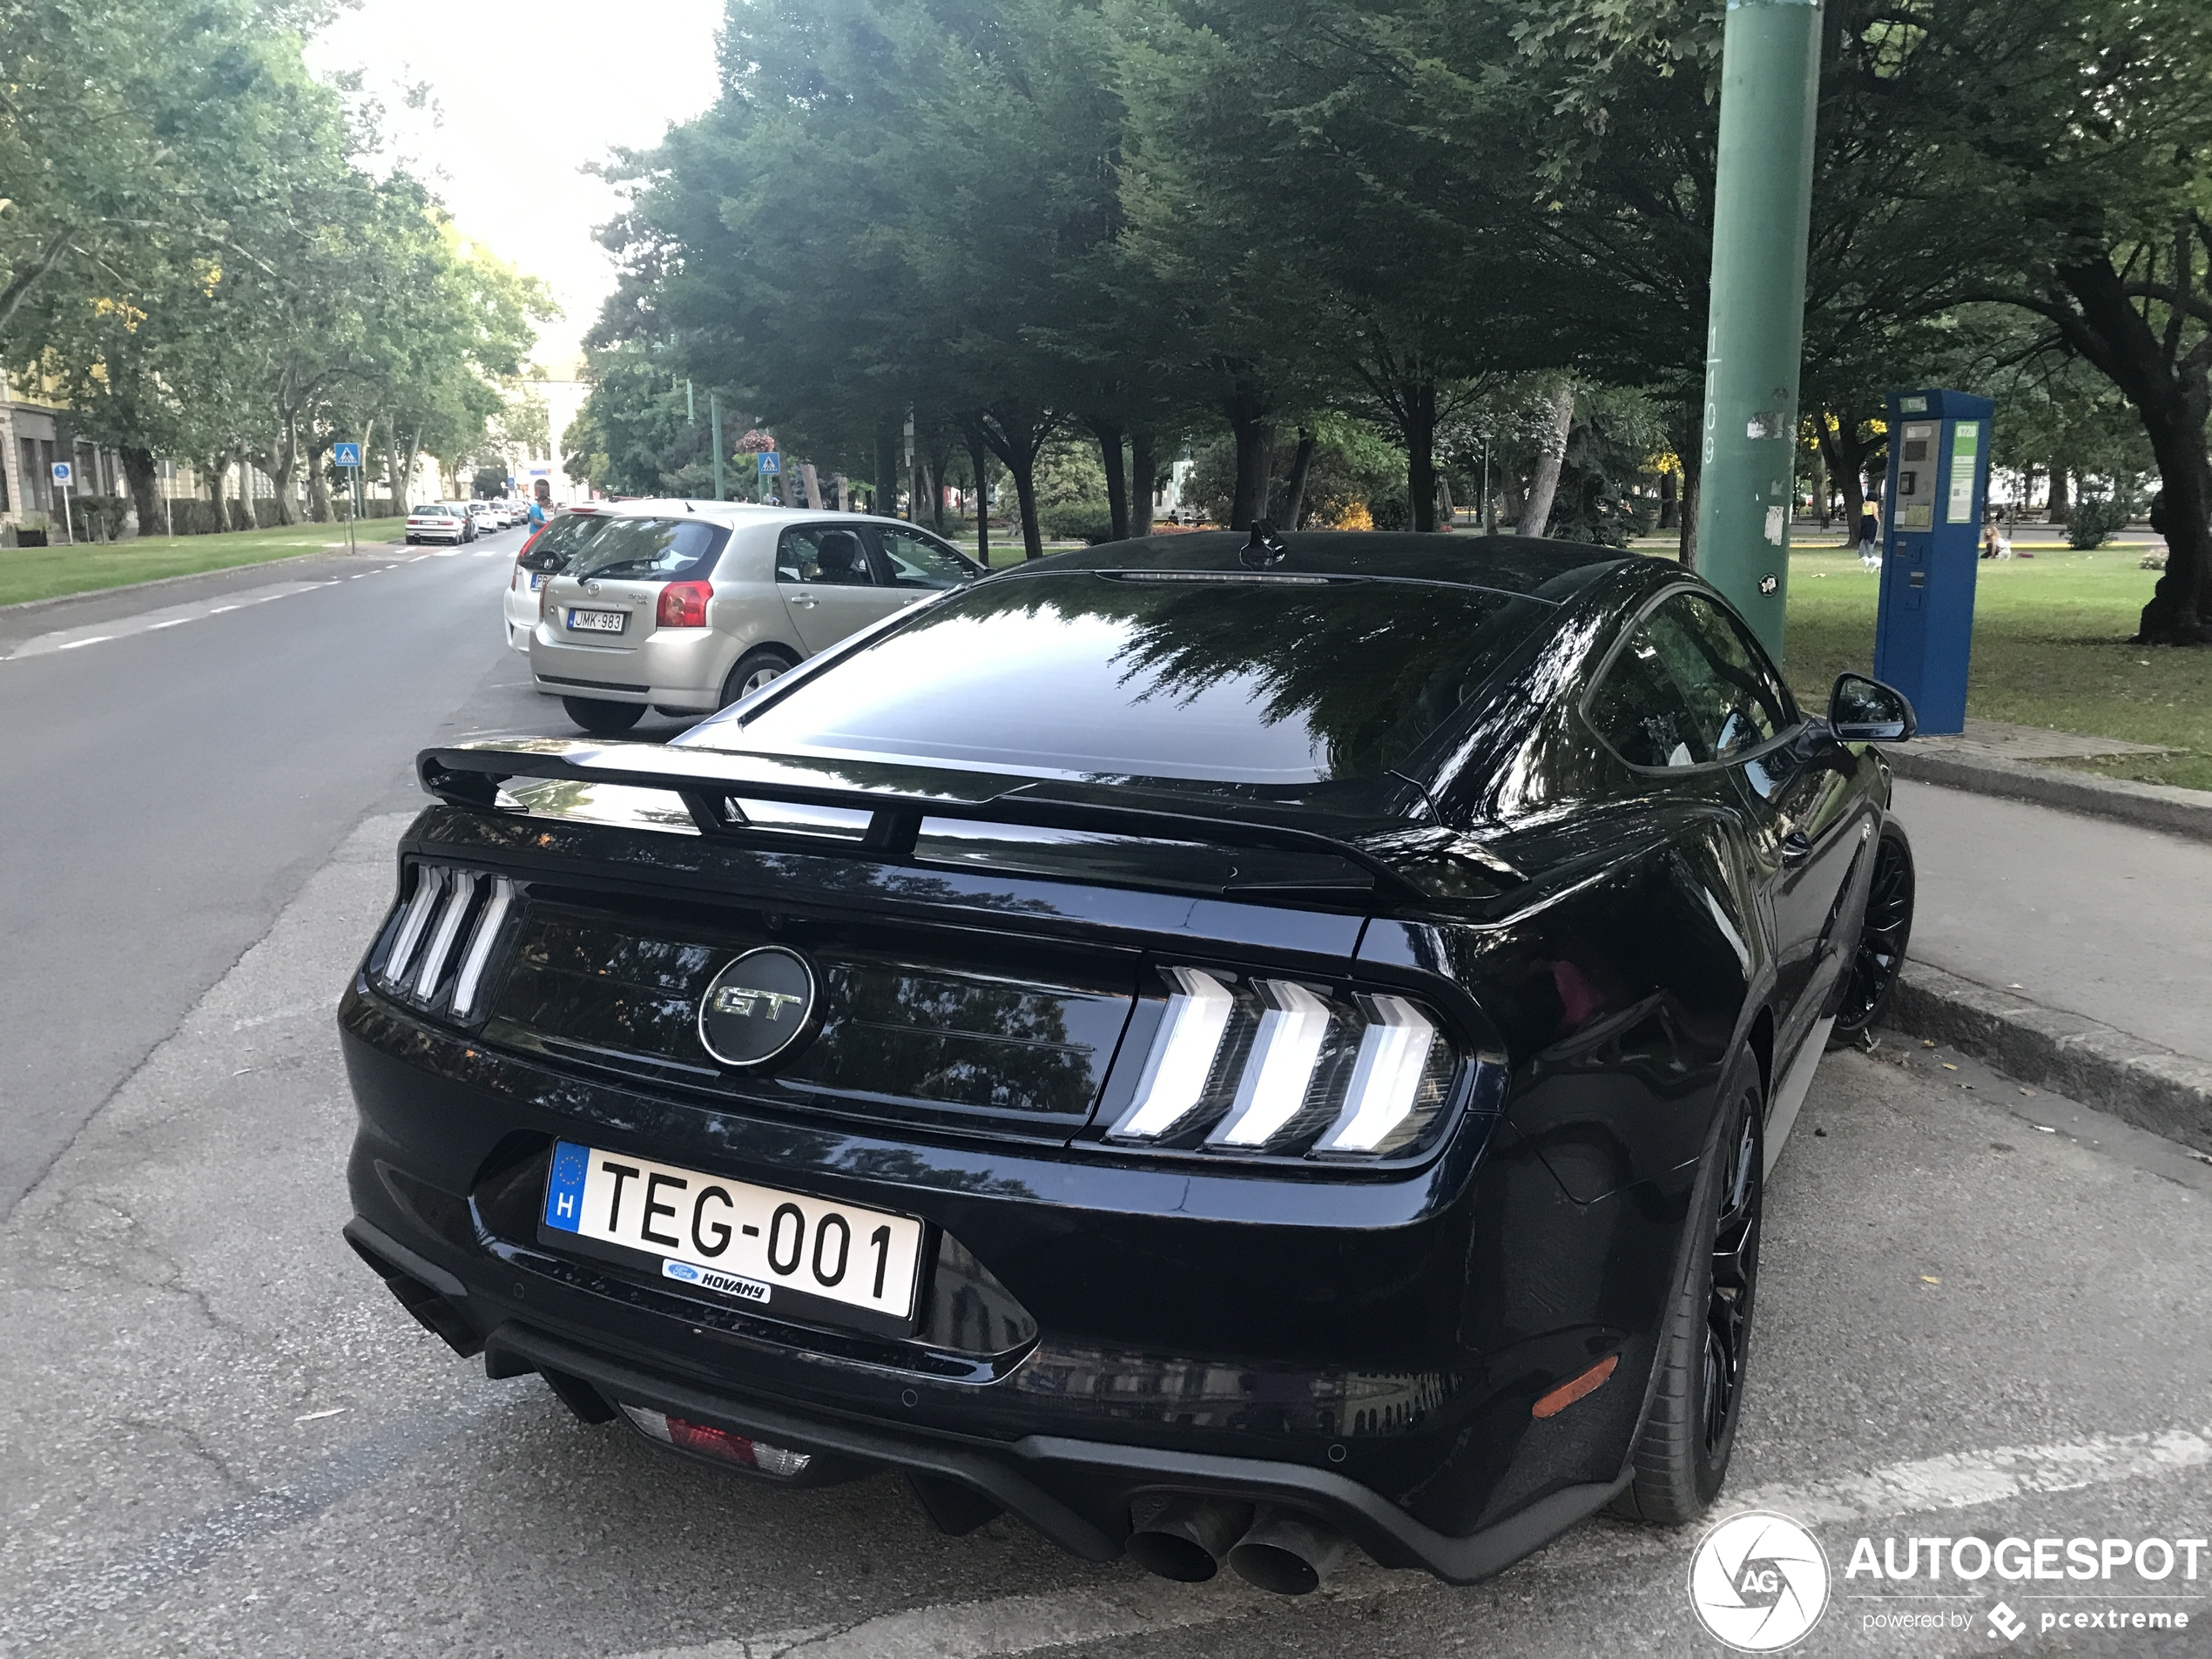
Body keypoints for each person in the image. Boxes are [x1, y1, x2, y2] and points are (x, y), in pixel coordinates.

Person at [1857, 493, 1881, 569]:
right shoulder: (1873, 504)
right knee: (1871, 538)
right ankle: (1870, 554)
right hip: (1871, 521)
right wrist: (1878, 521)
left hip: (1864, 520)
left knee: (1863, 538)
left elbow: (1863, 513)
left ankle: (1861, 554)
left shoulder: (1864, 503)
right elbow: (1874, 513)